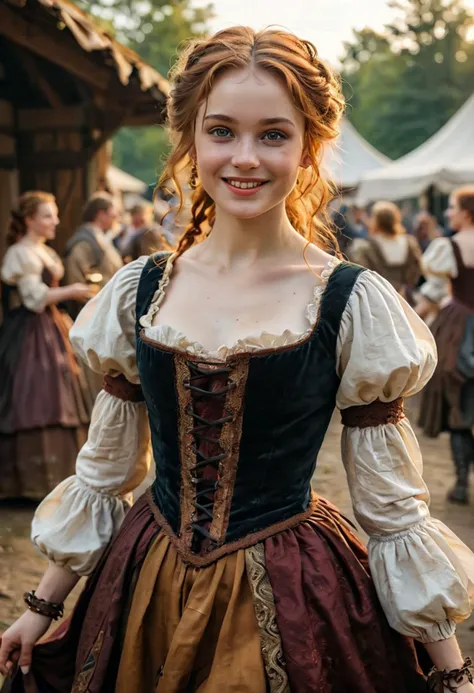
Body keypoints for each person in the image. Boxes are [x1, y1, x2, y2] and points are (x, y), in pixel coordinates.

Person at [1, 27, 474, 693]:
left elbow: (392, 509)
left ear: (309, 147)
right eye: (221, 130)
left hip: (293, 588)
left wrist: (452, 672)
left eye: (273, 134)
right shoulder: (138, 290)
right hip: (146, 582)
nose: (244, 156)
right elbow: (106, 475)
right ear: (191, 140)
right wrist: (41, 609)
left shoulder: (349, 300)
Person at [0, 192, 94, 500]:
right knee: (34, 393)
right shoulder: (20, 253)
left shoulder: (43, 251)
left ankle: (60, 478)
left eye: (54, 215)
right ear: (29, 220)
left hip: (51, 327)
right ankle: (26, 484)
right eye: (47, 216)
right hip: (28, 331)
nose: (54, 221)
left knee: (63, 390)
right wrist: (75, 290)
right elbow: (35, 298)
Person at [418, 186, 474, 506]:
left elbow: (433, 294)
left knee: (460, 408)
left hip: (460, 333)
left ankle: (462, 483)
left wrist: (409, 323)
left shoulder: (449, 247)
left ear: (467, 212)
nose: (448, 212)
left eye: (453, 207)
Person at [63, 192, 123, 319]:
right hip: (94, 314)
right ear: (101, 214)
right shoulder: (83, 243)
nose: (116, 217)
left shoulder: (99, 237)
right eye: (113, 214)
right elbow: (76, 280)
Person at [349, 200, 422, 301]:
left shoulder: (366, 246)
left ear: (376, 220)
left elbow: (362, 271)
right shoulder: (408, 242)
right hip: (403, 294)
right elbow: (415, 270)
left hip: (379, 297)